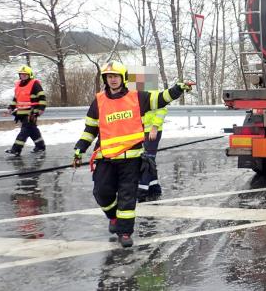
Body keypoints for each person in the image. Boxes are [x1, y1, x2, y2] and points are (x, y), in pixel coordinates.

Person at [72, 61, 193, 248]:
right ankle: (113, 218)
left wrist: (178, 88)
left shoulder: (138, 97)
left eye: (115, 76)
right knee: (101, 193)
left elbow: (161, 98)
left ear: (123, 78)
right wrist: (80, 148)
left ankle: (125, 232)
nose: (112, 80)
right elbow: (90, 129)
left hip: (132, 159)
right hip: (106, 158)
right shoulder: (98, 101)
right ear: (105, 79)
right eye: (109, 77)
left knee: (127, 196)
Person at [5, 65, 47, 156]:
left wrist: (41, 109)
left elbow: (42, 97)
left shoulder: (35, 84)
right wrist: (11, 107)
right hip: (21, 113)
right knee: (32, 130)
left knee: (24, 131)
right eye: (21, 74)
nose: (23, 76)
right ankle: (40, 146)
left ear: (30, 75)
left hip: (32, 112)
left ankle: (16, 149)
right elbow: (16, 98)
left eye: (25, 74)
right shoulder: (18, 85)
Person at [138, 102, 167, 201]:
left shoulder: (150, 88)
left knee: (147, 160)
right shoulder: (131, 88)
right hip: (140, 131)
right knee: (147, 161)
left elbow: (162, 109)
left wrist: (155, 127)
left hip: (152, 131)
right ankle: (154, 189)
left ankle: (142, 191)